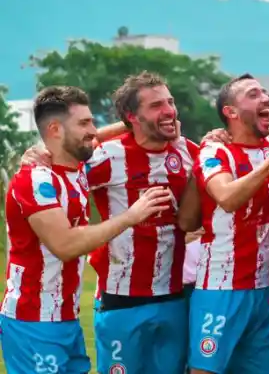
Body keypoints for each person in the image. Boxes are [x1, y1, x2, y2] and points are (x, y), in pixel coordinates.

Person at [1, 86, 170, 374]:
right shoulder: (35, 180)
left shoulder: (76, 166)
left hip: (66, 318)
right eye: (84, 123)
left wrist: (153, 120)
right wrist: (131, 216)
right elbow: (65, 245)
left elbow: (103, 134)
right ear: (54, 129)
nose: (94, 129)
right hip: (33, 322)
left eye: (92, 121)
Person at [87, 72, 201, 374]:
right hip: (121, 300)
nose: (169, 111)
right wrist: (41, 155)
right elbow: (65, 174)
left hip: (174, 299)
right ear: (131, 116)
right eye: (155, 106)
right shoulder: (108, 156)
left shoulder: (188, 151)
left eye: (170, 102)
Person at [189, 75, 269, 374]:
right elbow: (226, 197)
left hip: (265, 287)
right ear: (231, 112)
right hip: (221, 287)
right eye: (253, 94)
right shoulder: (215, 151)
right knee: (206, 370)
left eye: (264, 92)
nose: (264, 97)